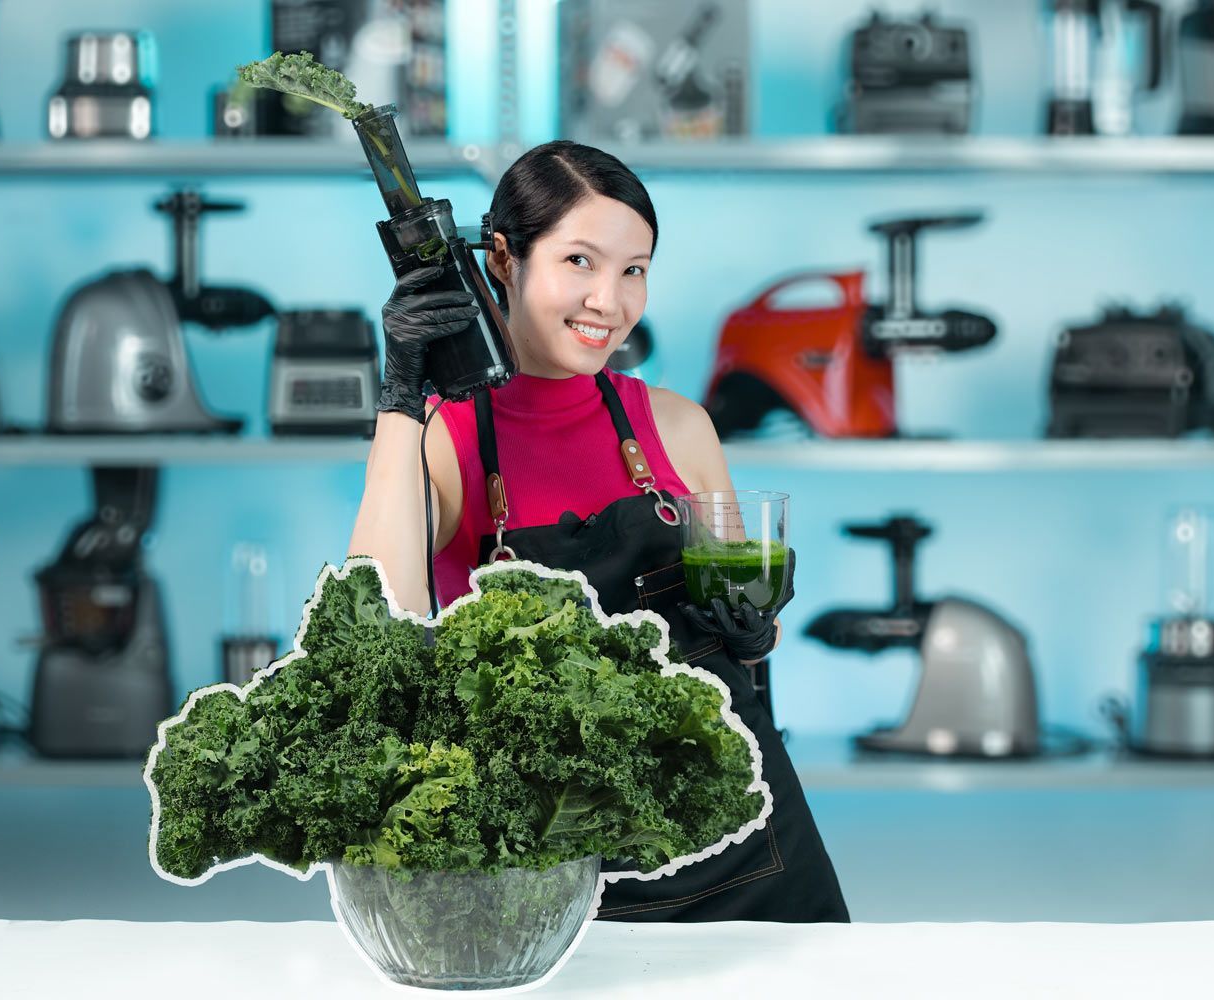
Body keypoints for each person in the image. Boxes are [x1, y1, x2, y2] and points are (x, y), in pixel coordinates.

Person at [348, 140, 849, 923]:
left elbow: (744, 637)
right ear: (505, 261)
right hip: (555, 866)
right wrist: (402, 400)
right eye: (580, 261)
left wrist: (753, 638)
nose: (608, 302)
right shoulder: (445, 440)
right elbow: (376, 623)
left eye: (633, 270)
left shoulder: (680, 427)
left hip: (751, 845)